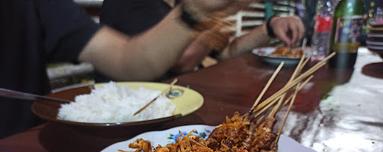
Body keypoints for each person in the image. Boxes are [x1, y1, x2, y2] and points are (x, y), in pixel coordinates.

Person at [0, 0, 255, 138]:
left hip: (31, 148)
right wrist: (209, 32)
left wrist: (195, 12)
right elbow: (185, 60)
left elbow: (128, 60)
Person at [99, 0, 305, 76]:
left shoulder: (185, 5)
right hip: (130, 116)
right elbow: (183, 61)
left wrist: (270, 27)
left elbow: (225, 53)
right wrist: (215, 27)